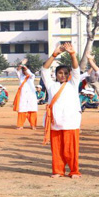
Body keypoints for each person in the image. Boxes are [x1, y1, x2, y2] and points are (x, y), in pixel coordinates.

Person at [40, 42, 82, 179]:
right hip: (55, 121)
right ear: (56, 74)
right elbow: (44, 70)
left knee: (71, 149)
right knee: (56, 150)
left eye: (65, 73)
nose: (62, 75)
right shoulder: (51, 85)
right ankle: (58, 170)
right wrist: (54, 54)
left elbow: (76, 70)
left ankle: (74, 171)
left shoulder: (73, 83)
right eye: (60, 73)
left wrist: (72, 55)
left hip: (71, 121)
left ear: (69, 75)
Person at [13, 59, 38, 129]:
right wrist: (21, 65)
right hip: (23, 96)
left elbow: (29, 73)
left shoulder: (32, 76)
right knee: (22, 110)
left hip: (31, 96)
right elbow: (17, 70)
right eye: (23, 71)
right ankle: (20, 125)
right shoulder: (21, 76)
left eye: (25, 70)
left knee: (32, 110)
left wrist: (24, 66)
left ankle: (33, 125)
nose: (24, 72)